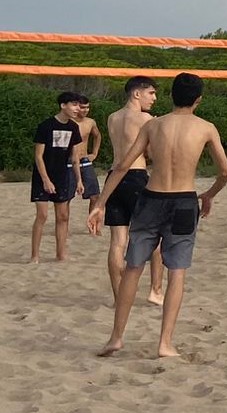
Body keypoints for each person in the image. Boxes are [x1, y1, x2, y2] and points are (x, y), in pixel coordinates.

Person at [90, 72, 227, 358]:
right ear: (198, 100)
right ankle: (165, 343)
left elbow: (122, 166)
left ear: (171, 96)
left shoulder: (153, 125)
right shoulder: (206, 127)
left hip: (151, 198)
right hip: (184, 200)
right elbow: (226, 172)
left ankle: (116, 337)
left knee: (133, 267)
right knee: (176, 271)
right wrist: (209, 195)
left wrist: (100, 203)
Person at [94, 76, 164, 305]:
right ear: (137, 93)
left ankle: (119, 297)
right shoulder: (145, 119)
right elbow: (151, 153)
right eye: (150, 93)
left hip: (114, 177)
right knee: (154, 235)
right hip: (135, 176)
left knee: (117, 241)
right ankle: (155, 290)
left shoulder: (112, 117)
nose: (154, 98)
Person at [31, 91, 85, 263]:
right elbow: (38, 156)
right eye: (74, 105)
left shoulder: (73, 127)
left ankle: (61, 254)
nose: (77, 109)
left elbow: (74, 157)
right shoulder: (46, 126)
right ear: (63, 105)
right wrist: (46, 180)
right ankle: (35, 255)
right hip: (42, 176)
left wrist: (79, 180)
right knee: (42, 215)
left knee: (63, 216)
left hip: (62, 176)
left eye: (79, 105)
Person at [73, 95, 104, 231]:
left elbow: (97, 136)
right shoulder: (69, 122)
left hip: (85, 160)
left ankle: (93, 226)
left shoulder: (90, 122)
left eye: (87, 107)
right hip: (69, 162)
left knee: (95, 196)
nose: (85, 110)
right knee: (65, 198)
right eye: (82, 107)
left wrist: (95, 153)